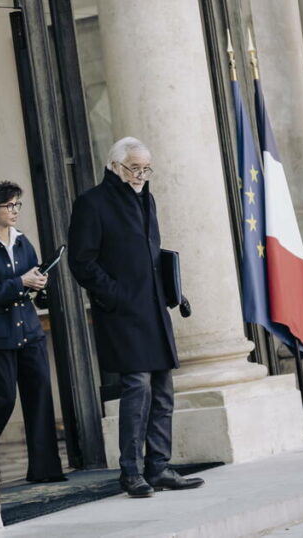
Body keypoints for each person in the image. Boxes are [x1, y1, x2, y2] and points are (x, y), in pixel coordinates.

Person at [68, 137, 204, 497]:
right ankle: (131, 472)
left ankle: (158, 467)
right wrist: (115, 295)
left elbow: (150, 252)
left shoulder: (147, 197)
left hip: (153, 308)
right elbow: (81, 262)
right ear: (114, 166)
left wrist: (172, 291)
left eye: (146, 168)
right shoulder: (91, 203)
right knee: (137, 388)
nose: (141, 174)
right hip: (122, 313)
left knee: (162, 390)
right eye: (134, 168)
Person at [0, 181, 66, 483]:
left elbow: (30, 283)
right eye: (9, 205)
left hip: (29, 333)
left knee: (40, 397)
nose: (15, 210)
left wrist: (38, 283)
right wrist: (21, 282)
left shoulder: (23, 242)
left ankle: (45, 470)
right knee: (1, 401)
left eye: (17, 204)